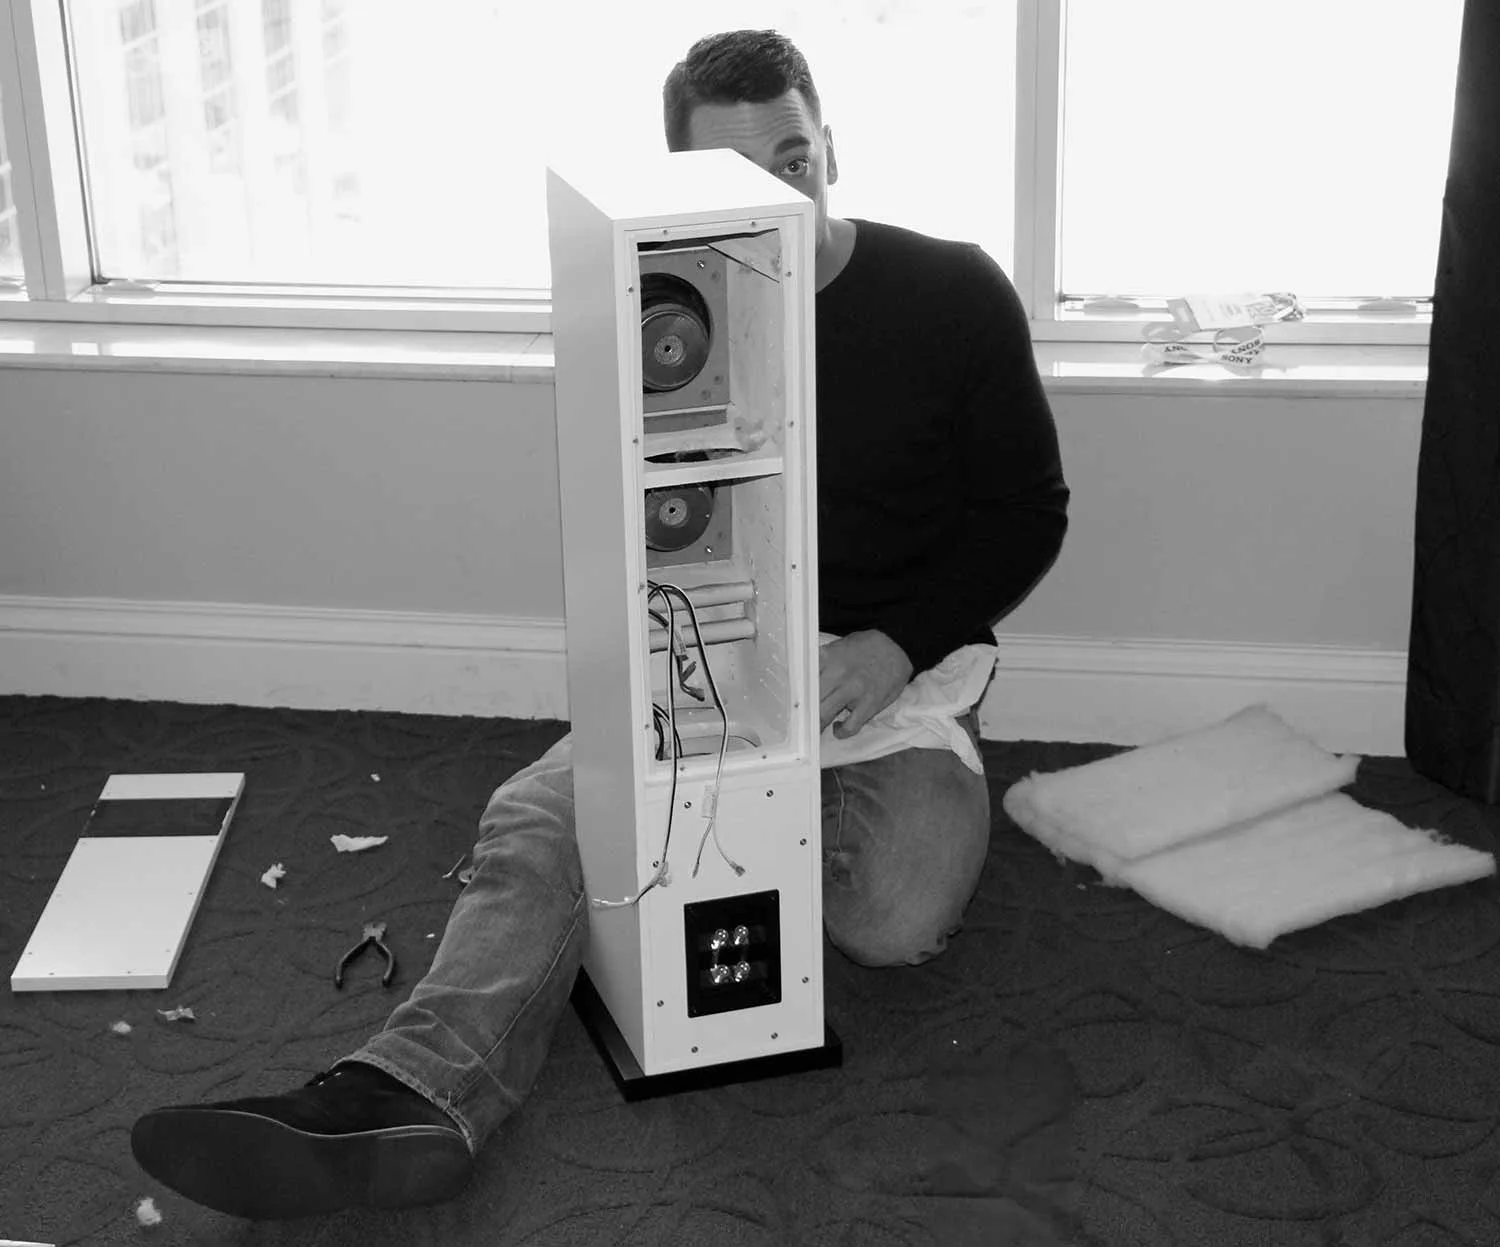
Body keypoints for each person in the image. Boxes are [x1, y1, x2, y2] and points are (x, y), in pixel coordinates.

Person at [129, 29, 1069, 1220]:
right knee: (538, 813)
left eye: (795, 157)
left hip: (892, 678)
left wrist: (893, 645)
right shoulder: (660, 306)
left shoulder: (955, 293)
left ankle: (743, 839)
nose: (779, 195)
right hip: (715, 655)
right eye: (738, 178)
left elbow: (1027, 513)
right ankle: (404, 1089)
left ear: (832, 143)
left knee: (896, 916)